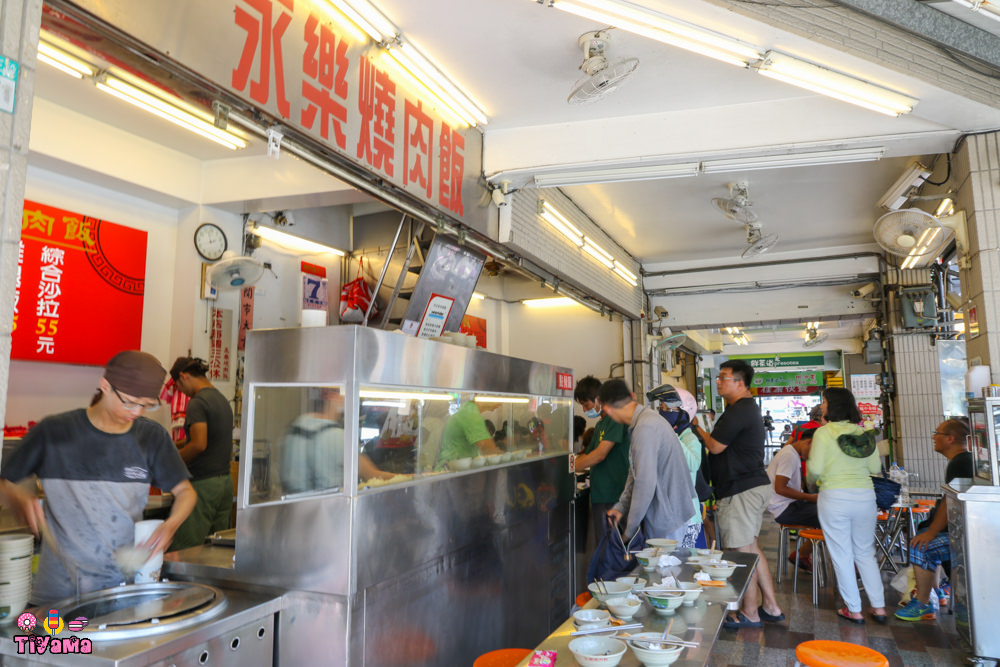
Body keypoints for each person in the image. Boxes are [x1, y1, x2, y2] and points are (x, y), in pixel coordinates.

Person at [0, 351, 196, 602]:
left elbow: (186, 493)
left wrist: (171, 525)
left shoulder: (151, 438)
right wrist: (18, 498)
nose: (137, 412)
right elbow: (4, 483)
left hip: (121, 588)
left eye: (146, 405)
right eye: (129, 401)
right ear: (105, 386)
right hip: (59, 591)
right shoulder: (55, 432)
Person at [694, 359, 783, 629]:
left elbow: (716, 446)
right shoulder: (742, 408)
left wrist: (695, 427)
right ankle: (771, 606)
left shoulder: (739, 410)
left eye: (723, 377)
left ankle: (750, 613)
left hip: (741, 490)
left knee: (741, 553)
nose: (718, 381)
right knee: (751, 549)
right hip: (750, 487)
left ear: (740, 383)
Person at [807, 387, 887, 625]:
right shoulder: (864, 433)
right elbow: (874, 469)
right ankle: (879, 607)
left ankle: (854, 609)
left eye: (824, 402)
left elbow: (815, 470)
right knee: (865, 553)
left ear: (833, 406)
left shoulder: (824, 433)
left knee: (842, 554)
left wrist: (813, 482)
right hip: (865, 497)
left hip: (834, 497)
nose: (822, 406)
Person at [896, 418, 972, 622]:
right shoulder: (961, 461)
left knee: (921, 545)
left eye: (937, 433)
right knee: (923, 535)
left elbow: (950, 502)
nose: (933, 437)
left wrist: (931, 533)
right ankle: (937, 592)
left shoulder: (960, 462)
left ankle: (923, 603)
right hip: (963, 532)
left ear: (950, 438)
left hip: (967, 537)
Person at [601, 380, 695, 543]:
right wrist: (621, 506)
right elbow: (635, 472)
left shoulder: (645, 428)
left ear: (607, 409)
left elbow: (645, 483)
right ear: (632, 396)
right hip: (668, 517)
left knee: (669, 568)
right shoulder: (645, 421)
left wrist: (629, 532)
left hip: (668, 522)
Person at [169, 357, 235, 551]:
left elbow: (199, 444)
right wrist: (173, 445)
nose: (181, 392)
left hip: (204, 486)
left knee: (185, 549)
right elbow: (208, 436)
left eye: (178, 386)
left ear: (183, 376)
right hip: (224, 484)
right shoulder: (221, 399)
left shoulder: (197, 403)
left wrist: (170, 461)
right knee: (216, 548)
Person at [574, 376, 631, 545]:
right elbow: (587, 455)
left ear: (599, 399)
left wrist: (569, 466)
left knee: (618, 548)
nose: (584, 410)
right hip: (601, 495)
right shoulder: (600, 425)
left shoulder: (615, 420)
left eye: (586, 405)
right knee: (604, 546)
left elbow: (600, 454)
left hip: (615, 495)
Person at [647, 384, 705, 549]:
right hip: (665, 515)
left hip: (686, 517)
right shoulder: (662, 439)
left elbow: (693, 463)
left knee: (682, 565)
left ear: (683, 415)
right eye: (661, 408)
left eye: (668, 410)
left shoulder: (690, 439)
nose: (663, 413)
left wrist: (671, 436)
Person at [766, 428, 819, 571]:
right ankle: (801, 555)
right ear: (808, 442)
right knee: (830, 517)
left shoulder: (792, 453)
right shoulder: (789, 455)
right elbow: (780, 488)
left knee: (829, 516)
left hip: (789, 505)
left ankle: (801, 555)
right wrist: (811, 498)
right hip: (783, 509)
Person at [436, 399, 501, 467]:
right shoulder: (470, 413)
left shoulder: (468, 409)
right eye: (499, 397)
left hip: (456, 468)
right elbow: (488, 449)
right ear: (483, 395)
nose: (500, 403)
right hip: (451, 471)